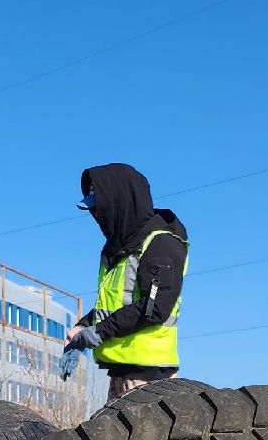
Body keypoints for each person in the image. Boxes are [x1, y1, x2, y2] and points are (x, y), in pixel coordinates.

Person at [62, 164, 189, 400]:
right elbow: (114, 305)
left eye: (101, 208)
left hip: (149, 379)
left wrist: (98, 332)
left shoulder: (160, 243)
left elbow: (154, 309)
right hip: (120, 372)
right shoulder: (119, 248)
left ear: (119, 203)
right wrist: (82, 327)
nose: (97, 216)